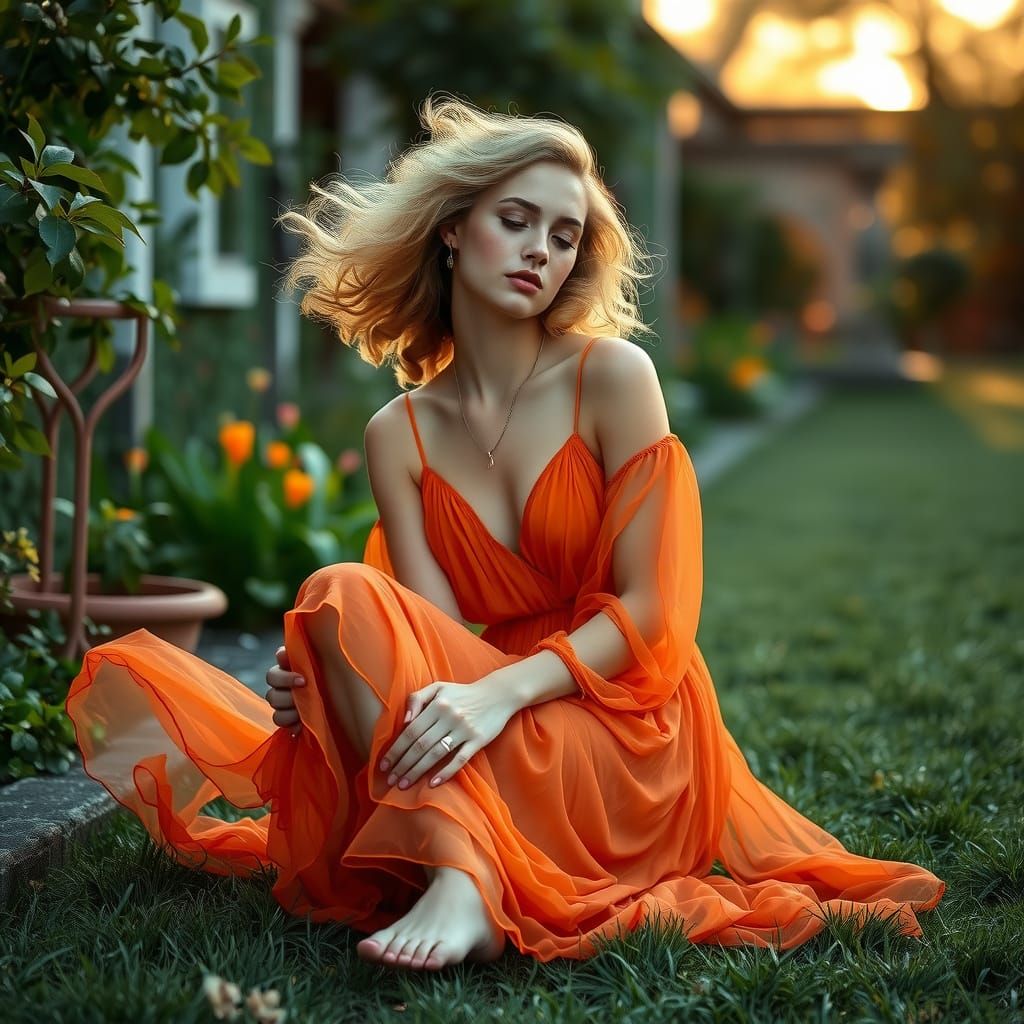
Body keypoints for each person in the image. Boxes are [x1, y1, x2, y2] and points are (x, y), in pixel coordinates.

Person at [66, 93, 945, 974]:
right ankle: (467, 869)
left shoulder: (613, 378)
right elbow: (433, 643)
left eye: (563, 238)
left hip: (628, 721)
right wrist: (335, 676)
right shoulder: (398, 435)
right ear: (453, 228)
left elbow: (652, 612)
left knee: (419, 668)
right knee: (336, 595)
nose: (540, 251)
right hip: (496, 725)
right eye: (516, 220)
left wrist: (498, 696)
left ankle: (464, 875)